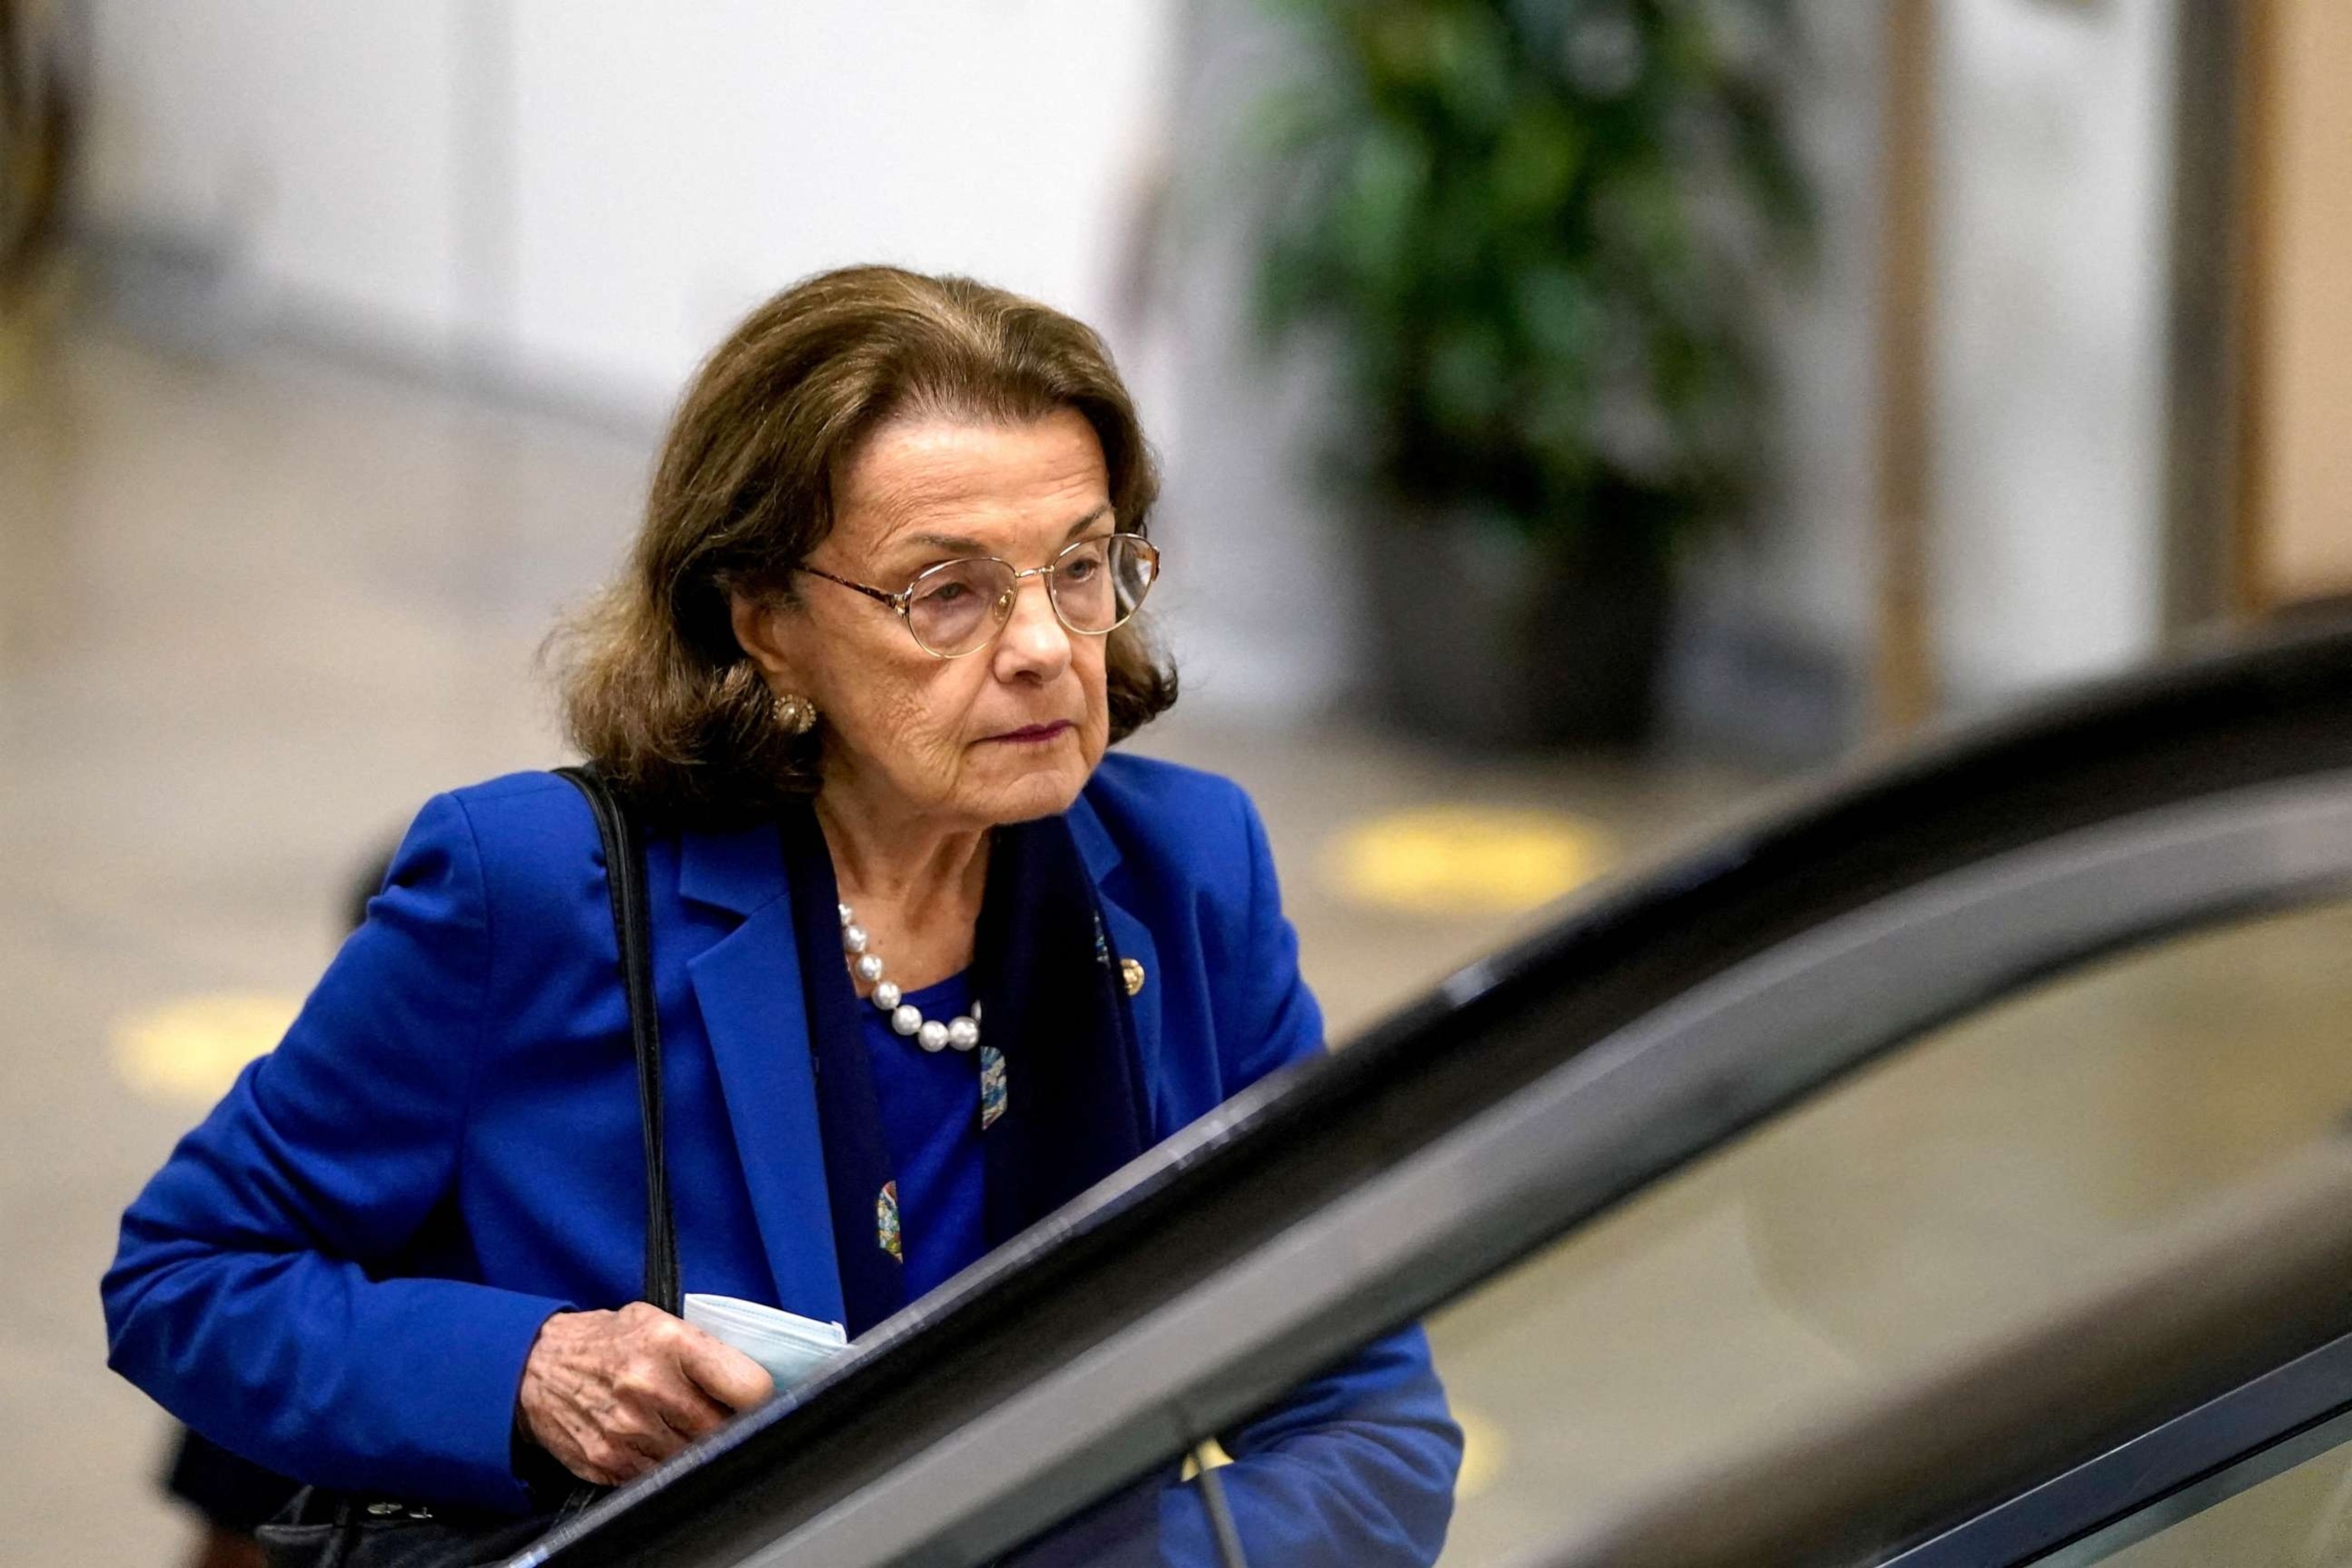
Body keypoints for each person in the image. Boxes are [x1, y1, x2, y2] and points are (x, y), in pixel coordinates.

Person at [103, 265, 1461, 1562]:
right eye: (950, 591)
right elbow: (186, 1275)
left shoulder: (1188, 869)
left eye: (1081, 566)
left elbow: (1368, 1417)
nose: (1048, 643)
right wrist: (528, 1374)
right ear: (763, 618)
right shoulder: (528, 888)